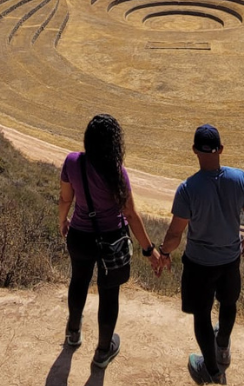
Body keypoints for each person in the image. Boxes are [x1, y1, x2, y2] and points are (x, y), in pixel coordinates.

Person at [154, 124, 244, 385]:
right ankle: (222, 346)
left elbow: (175, 234)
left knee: (202, 314)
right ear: (221, 149)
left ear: (194, 151)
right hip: (230, 259)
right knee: (229, 303)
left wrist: (164, 253)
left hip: (199, 264)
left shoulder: (187, 189)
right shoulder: (240, 179)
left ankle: (211, 371)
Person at [58, 113, 163, 369]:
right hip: (112, 243)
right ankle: (103, 351)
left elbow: (65, 199)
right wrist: (149, 250)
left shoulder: (72, 162)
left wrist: (62, 221)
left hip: (80, 235)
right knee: (109, 295)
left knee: (78, 282)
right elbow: (130, 214)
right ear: (114, 143)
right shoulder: (117, 172)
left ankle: (73, 333)